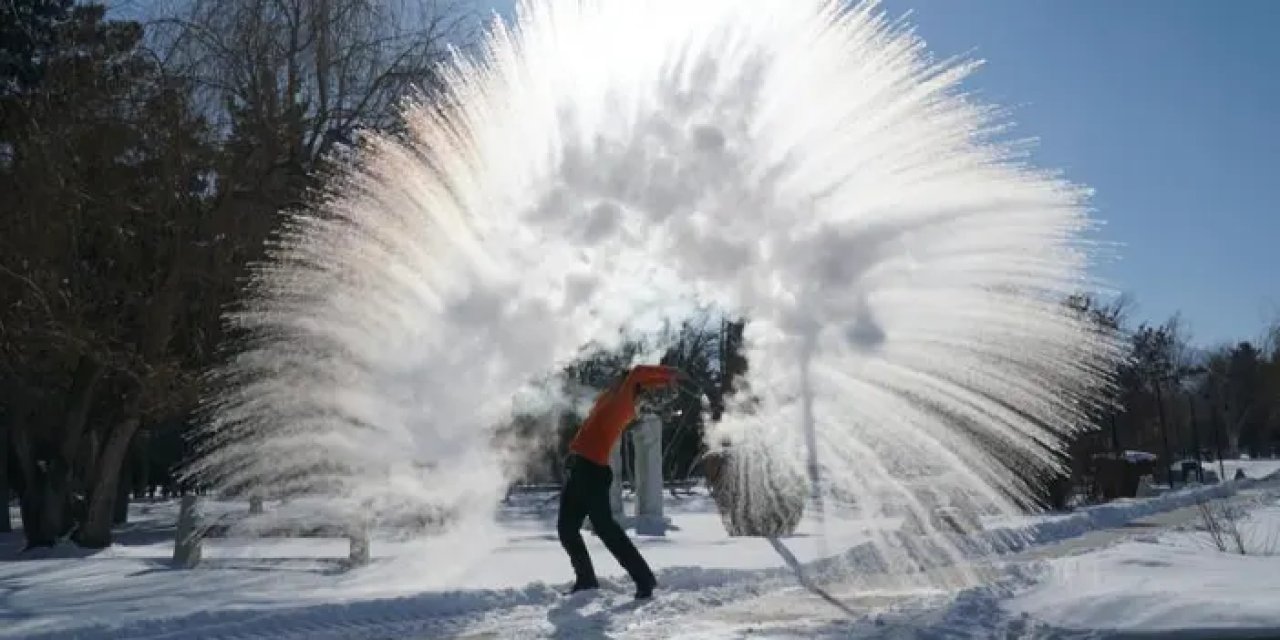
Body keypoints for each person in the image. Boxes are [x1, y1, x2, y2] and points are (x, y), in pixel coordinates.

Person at [558, 364, 677, 599]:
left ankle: (644, 579)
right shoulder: (608, 397)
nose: (611, 378)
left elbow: (639, 372)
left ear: (628, 387)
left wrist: (669, 374)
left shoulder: (624, 405)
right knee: (567, 529)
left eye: (618, 377)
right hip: (579, 469)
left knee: (606, 530)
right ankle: (586, 580)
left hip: (592, 473)